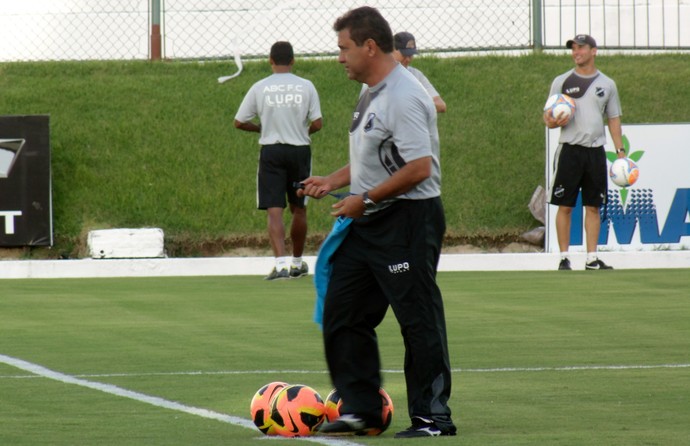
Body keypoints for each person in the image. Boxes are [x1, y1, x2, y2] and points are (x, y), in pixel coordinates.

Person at [299, 6, 457, 438]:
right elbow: (378, 157)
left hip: (407, 221)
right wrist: (333, 181)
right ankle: (362, 410)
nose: (339, 58)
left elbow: (419, 167)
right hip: (369, 221)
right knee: (343, 312)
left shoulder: (404, 95)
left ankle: (432, 419)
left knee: (417, 318)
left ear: (370, 46)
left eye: (343, 48)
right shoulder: (372, 89)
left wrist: (363, 198)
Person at [234, 41, 322, 280]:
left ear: (270, 60)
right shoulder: (306, 86)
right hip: (299, 151)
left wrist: (261, 128)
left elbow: (239, 121)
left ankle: (280, 264)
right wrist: (303, 132)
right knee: (299, 207)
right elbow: (317, 123)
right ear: (293, 61)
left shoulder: (260, 87)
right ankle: (297, 262)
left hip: (271, 152)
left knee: (274, 209)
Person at [544, 34, 625, 271]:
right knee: (565, 205)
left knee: (593, 206)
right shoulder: (562, 81)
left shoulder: (607, 84)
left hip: (595, 152)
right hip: (569, 150)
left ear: (594, 51)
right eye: (573, 49)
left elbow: (613, 119)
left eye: (581, 48)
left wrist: (620, 152)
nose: (576, 52)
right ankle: (563, 257)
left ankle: (592, 258)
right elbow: (547, 119)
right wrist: (554, 121)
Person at [393, 31, 447, 113]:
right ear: (392, 51)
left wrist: (412, 103)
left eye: (410, 55)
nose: (408, 59)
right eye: (404, 55)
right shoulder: (380, 75)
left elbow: (440, 105)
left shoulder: (416, 75)